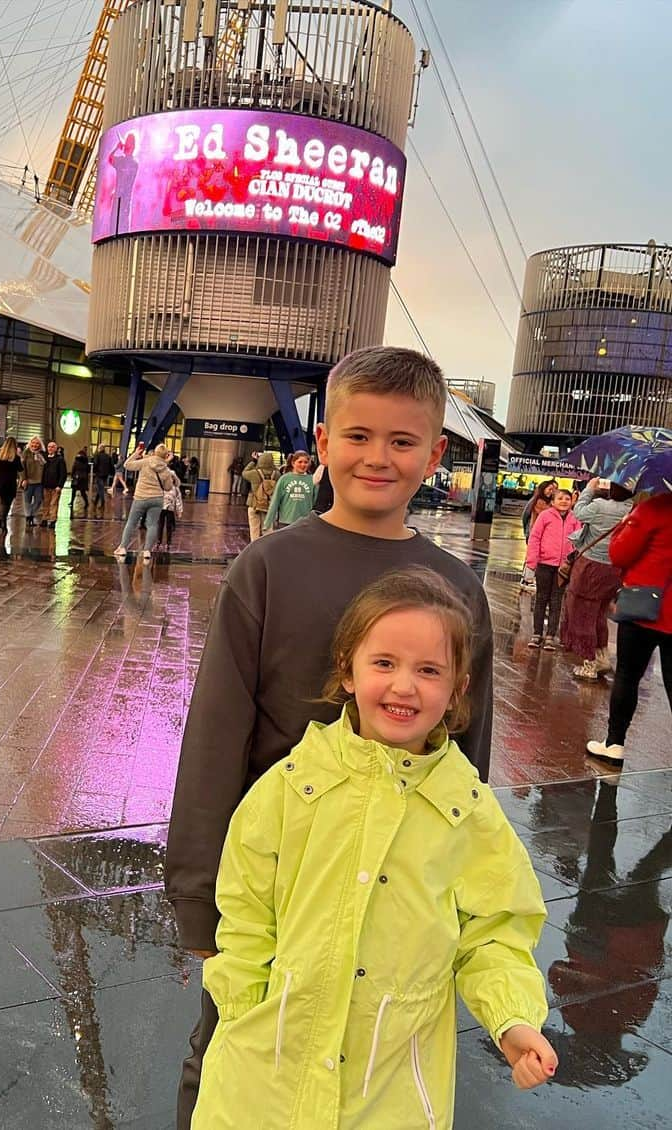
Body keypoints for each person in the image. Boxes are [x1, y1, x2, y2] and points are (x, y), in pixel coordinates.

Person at [165, 346, 496, 1129]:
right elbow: (216, 739)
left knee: (373, 1066)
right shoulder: (268, 569)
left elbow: (467, 758)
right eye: (357, 436)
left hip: (397, 880)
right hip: (283, 875)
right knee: (232, 1050)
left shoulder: (460, 590)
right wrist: (197, 900)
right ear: (322, 444)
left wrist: (465, 895)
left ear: (433, 455)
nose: (378, 458)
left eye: (402, 441)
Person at [191, 568, 554, 1130]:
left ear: (458, 689)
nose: (404, 686)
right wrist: (241, 1006)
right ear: (349, 671)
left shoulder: (467, 811)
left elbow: (497, 933)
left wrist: (513, 1019)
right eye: (384, 663)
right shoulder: (294, 786)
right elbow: (245, 905)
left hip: (390, 1081)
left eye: (429, 670)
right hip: (270, 1065)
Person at [586, 491, 672, 766]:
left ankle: (614, 744)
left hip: (642, 610)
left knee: (627, 676)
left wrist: (626, 523)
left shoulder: (654, 507)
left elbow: (619, 554)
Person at [561, 478, 633, 680]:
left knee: (583, 614)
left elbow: (579, 512)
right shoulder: (631, 508)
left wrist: (589, 490)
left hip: (591, 567)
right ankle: (602, 657)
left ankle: (590, 663)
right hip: (613, 569)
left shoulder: (601, 506)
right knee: (600, 613)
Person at [524, 488, 581, 650]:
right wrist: (531, 563)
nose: (564, 501)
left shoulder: (575, 518)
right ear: (553, 501)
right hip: (544, 564)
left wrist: (573, 562)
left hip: (564, 567)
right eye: (560, 498)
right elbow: (535, 538)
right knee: (541, 598)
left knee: (557, 601)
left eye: (567, 499)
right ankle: (537, 634)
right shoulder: (545, 516)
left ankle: (550, 636)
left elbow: (579, 541)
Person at [113, 442, 178, 560]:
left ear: (155, 452)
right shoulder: (166, 470)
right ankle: (147, 551)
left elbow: (127, 465)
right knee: (152, 525)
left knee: (131, 522)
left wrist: (135, 454)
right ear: (165, 456)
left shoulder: (145, 462)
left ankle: (123, 548)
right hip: (157, 499)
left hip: (141, 497)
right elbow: (168, 488)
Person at [263, 449, 316, 532]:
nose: (303, 465)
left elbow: (315, 503)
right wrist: (267, 522)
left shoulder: (313, 480)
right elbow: (275, 501)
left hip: (305, 523)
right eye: (300, 462)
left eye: (305, 462)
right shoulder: (284, 479)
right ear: (293, 463)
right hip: (286, 522)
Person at [520, 479, 557, 591]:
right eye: (550, 488)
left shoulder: (552, 503)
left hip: (546, 536)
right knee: (532, 556)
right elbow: (525, 516)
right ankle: (527, 579)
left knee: (537, 556)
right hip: (534, 534)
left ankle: (529, 578)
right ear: (543, 488)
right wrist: (527, 532)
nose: (552, 491)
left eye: (555, 489)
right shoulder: (538, 501)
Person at [243, 451, 278, 540]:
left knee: (254, 529)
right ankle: (267, 548)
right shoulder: (277, 474)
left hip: (254, 504)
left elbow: (244, 473)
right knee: (268, 529)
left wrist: (253, 461)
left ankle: (254, 549)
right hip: (269, 505)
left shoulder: (254, 473)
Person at [0, 436, 23, 531]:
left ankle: (1, 521)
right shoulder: (16, 458)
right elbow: (20, 469)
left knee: (2, 502)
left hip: (1, 481)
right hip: (10, 482)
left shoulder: (2, 456)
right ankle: (3, 521)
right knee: (8, 503)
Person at [40, 440, 67, 528]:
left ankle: (52, 520)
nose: (50, 448)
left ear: (56, 449)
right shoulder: (45, 459)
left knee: (53, 503)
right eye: (49, 447)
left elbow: (63, 473)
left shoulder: (60, 460)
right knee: (45, 503)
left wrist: (60, 485)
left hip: (55, 487)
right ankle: (44, 519)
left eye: (52, 447)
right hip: (46, 485)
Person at [21, 436, 47, 527]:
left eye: (37, 443)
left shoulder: (42, 454)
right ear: (30, 443)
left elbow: (45, 466)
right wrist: (24, 479)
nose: (35, 445)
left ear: (40, 445)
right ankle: (29, 518)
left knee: (38, 501)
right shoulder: (26, 453)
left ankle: (31, 515)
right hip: (28, 481)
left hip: (39, 482)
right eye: (33, 443)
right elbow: (22, 468)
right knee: (27, 501)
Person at [160, 463, 183, 548]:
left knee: (169, 526)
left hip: (170, 508)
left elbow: (178, 500)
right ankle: (159, 541)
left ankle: (168, 542)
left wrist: (179, 511)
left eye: (172, 478)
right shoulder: (162, 487)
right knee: (160, 525)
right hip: (161, 508)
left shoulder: (175, 489)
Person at [91, 444, 114, 513]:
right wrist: (111, 473)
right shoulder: (108, 456)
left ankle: (103, 502)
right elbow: (111, 465)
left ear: (100, 448)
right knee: (100, 487)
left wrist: (94, 472)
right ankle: (95, 502)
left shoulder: (97, 455)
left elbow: (95, 464)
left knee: (100, 489)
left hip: (99, 474)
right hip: (105, 475)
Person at [69, 448, 91, 516]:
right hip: (84, 478)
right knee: (83, 492)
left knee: (74, 491)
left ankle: (72, 502)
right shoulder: (86, 461)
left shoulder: (76, 461)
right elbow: (88, 470)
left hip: (77, 477)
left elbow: (73, 469)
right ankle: (86, 502)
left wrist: (72, 476)